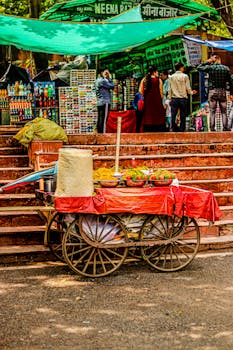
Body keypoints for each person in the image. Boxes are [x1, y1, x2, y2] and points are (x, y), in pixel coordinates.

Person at [197, 55, 233, 131]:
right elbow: (230, 82)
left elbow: (199, 68)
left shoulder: (211, 67)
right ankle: (225, 128)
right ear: (220, 60)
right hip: (223, 91)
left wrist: (208, 61)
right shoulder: (226, 68)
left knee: (212, 111)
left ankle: (212, 129)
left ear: (214, 60)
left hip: (212, 91)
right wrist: (231, 93)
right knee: (224, 111)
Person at [168, 62, 196, 132]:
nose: (183, 69)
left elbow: (169, 89)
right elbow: (188, 88)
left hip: (174, 99)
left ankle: (173, 128)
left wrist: (169, 98)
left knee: (173, 114)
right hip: (183, 99)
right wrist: (191, 93)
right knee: (183, 115)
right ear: (181, 68)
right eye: (183, 67)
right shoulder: (185, 76)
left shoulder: (171, 77)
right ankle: (181, 129)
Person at [139, 66, 166, 132]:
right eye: (157, 72)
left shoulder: (144, 79)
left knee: (148, 116)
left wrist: (145, 95)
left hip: (148, 102)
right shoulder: (158, 80)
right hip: (157, 102)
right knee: (158, 117)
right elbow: (161, 92)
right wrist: (161, 99)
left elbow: (140, 90)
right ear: (154, 72)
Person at [95, 68, 114, 133]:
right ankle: (102, 134)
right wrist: (109, 78)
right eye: (106, 73)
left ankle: (99, 133)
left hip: (99, 102)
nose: (107, 74)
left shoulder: (97, 80)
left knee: (100, 119)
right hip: (105, 102)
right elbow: (112, 86)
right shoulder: (102, 81)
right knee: (104, 120)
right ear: (101, 73)